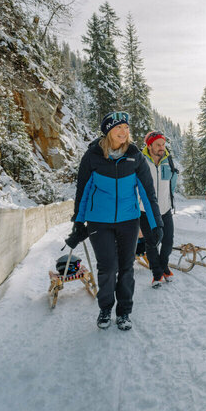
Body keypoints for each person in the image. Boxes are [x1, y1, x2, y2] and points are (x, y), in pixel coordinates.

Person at [67, 111, 163, 330]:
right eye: (119, 127)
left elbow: (148, 192)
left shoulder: (135, 156)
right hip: (98, 222)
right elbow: (82, 191)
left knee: (126, 268)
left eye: (126, 128)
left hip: (129, 221)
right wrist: (78, 222)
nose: (124, 131)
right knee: (108, 267)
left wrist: (156, 222)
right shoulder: (93, 156)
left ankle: (124, 312)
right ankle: (105, 308)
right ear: (108, 131)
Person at [140, 130, 179, 287]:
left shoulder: (167, 161)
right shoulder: (141, 162)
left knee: (168, 241)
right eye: (158, 144)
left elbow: (172, 181)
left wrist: (170, 199)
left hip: (164, 209)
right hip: (146, 211)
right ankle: (157, 274)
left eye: (163, 144)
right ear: (149, 146)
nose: (162, 147)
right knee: (151, 243)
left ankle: (164, 266)